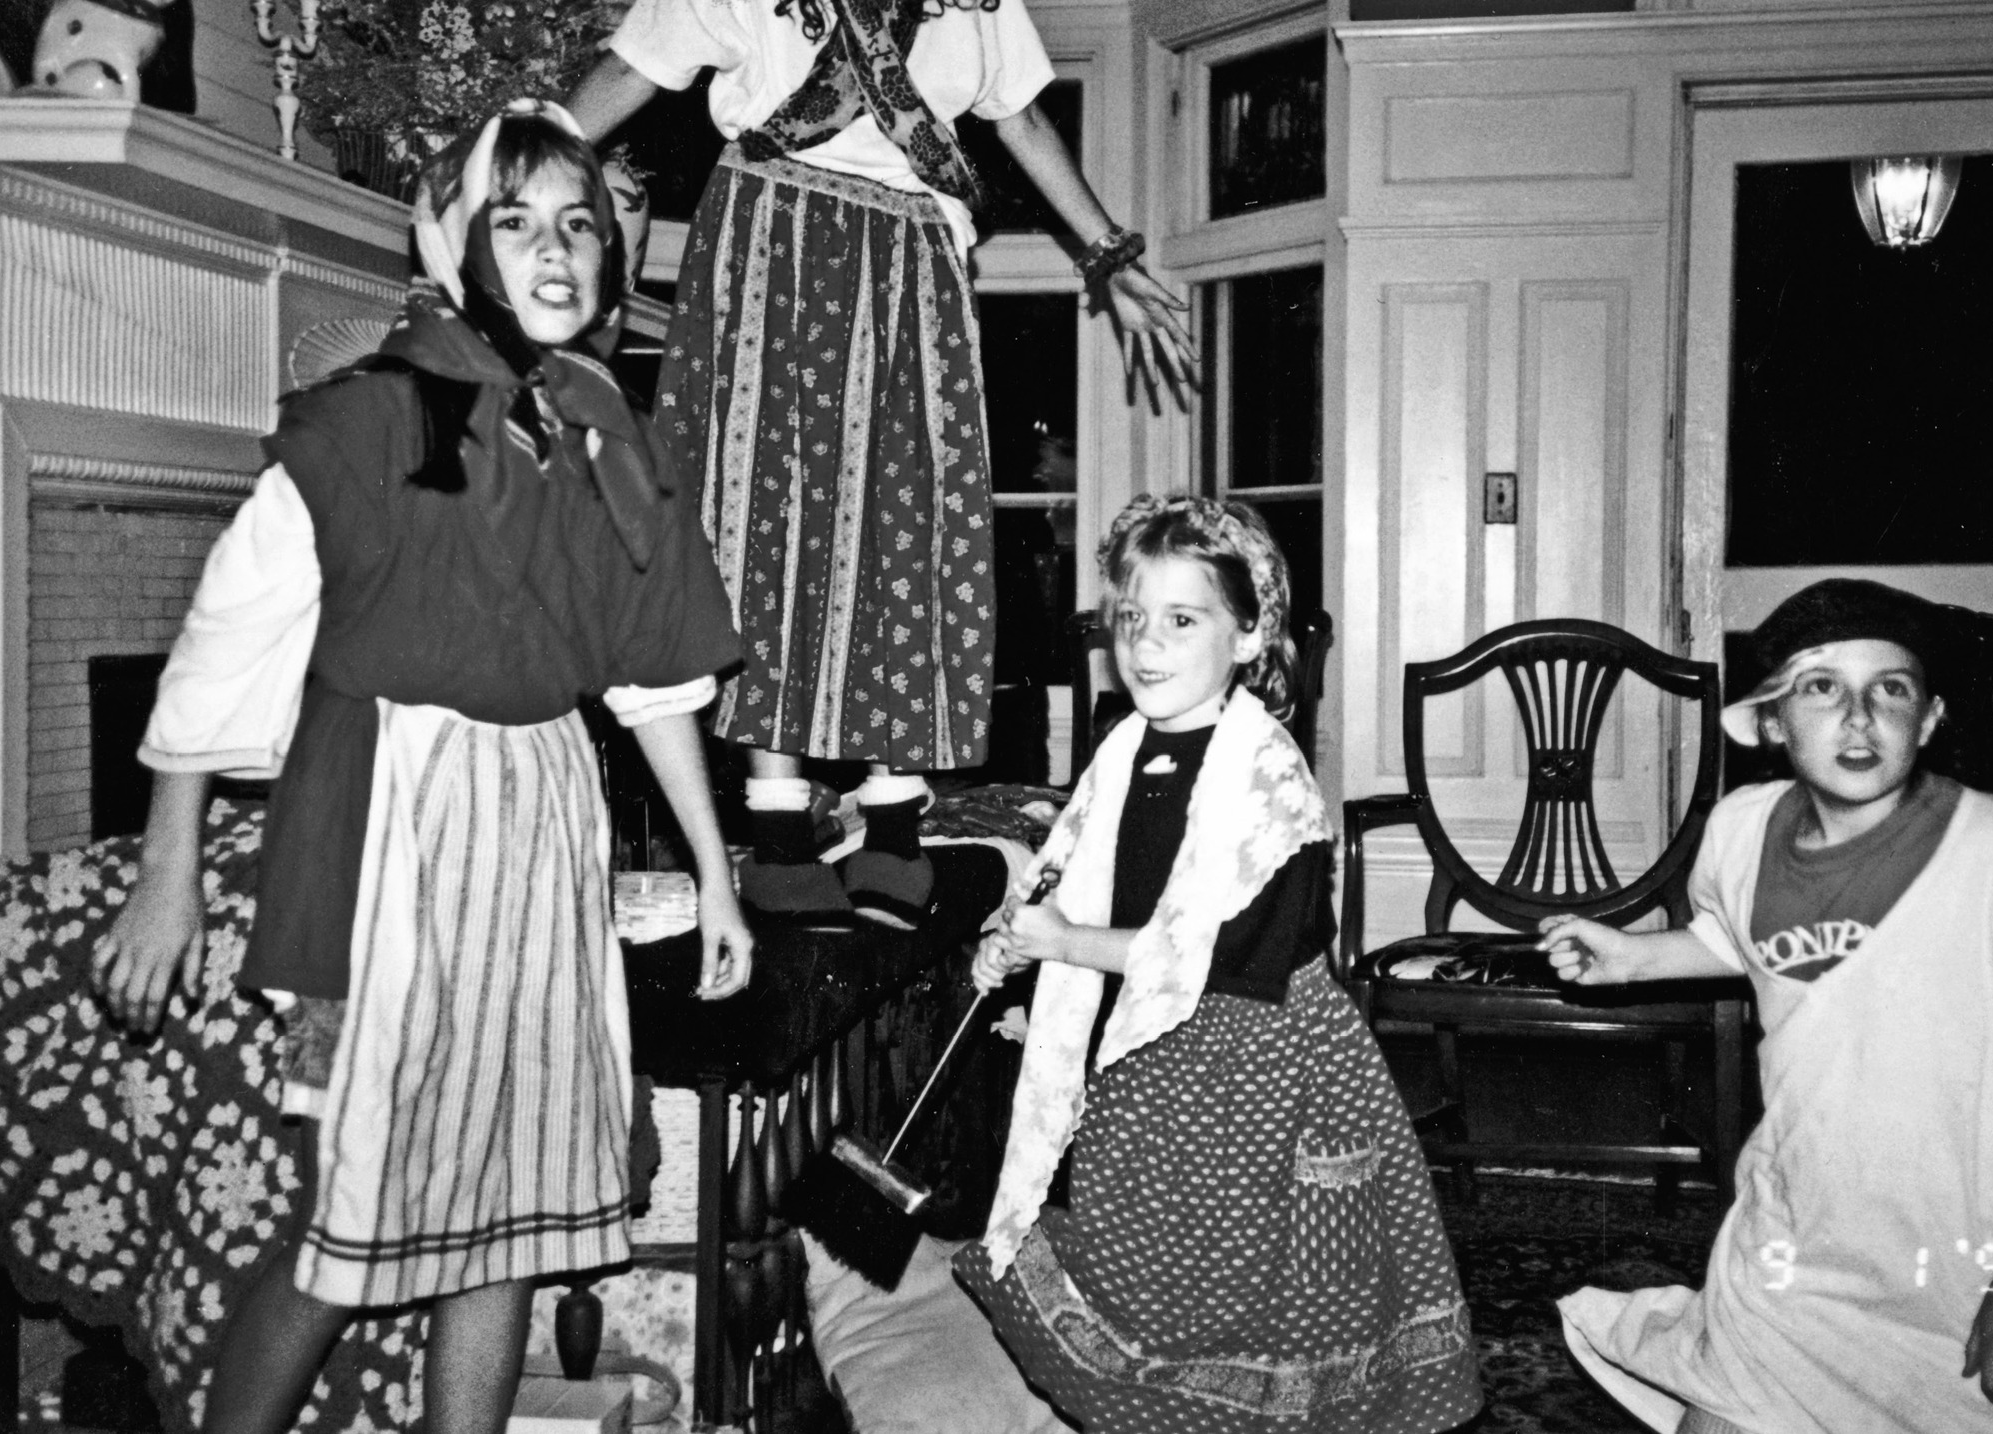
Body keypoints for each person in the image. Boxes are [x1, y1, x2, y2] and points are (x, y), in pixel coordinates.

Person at [92, 102, 754, 1434]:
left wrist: (715, 873)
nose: (558, 250)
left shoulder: (602, 422)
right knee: (361, 1210)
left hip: (546, 820)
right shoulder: (359, 425)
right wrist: (166, 876)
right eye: (517, 223)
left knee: (509, 1216)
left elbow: (651, 673)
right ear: (453, 246)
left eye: (579, 223)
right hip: (396, 821)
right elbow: (220, 653)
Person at [567, 0, 1198, 928]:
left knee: (905, 520)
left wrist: (1106, 255)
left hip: (914, 252)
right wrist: (499, 175)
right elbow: (636, 66)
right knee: (759, 516)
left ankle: (893, 823)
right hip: (770, 232)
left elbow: (1019, 114)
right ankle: (780, 829)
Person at [1546, 579, 1993, 1434]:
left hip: (1981, 1263)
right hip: (1801, 1257)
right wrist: (1635, 958)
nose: (1859, 716)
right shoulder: (1741, 831)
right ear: (1775, 723)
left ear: (1927, 722)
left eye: (1888, 689)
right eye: (1822, 687)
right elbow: (1752, 943)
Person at [950, 496, 1482, 1434]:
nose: (1147, 645)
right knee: (1140, 1250)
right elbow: (1076, 871)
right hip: (1151, 1063)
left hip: (1258, 1067)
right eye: (1132, 619)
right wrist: (1023, 933)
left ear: (1246, 637)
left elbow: (1229, 958)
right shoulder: (1124, 750)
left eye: (1182, 620)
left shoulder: (1267, 779)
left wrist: (1067, 948)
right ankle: (1155, 1404)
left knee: (1251, 1271)